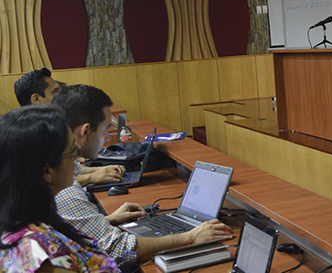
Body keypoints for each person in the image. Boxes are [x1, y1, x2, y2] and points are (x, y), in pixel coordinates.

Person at [52, 85, 233, 267]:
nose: (107, 137)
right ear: (86, 131)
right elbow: (118, 250)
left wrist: (108, 220)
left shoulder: (61, 167)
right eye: (106, 128)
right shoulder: (65, 189)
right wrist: (190, 237)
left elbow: (69, 231)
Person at [0, 105, 120, 272]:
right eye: (72, 150)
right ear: (47, 171)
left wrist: (111, 219)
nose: (79, 152)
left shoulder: (25, 218)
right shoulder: (37, 252)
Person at [14, 68, 126, 187]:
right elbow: (44, 185)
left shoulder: (46, 127)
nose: (61, 96)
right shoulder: (29, 135)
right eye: (55, 92)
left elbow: (68, 169)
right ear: (36, 99)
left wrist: (100, 170)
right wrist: (91, 177)